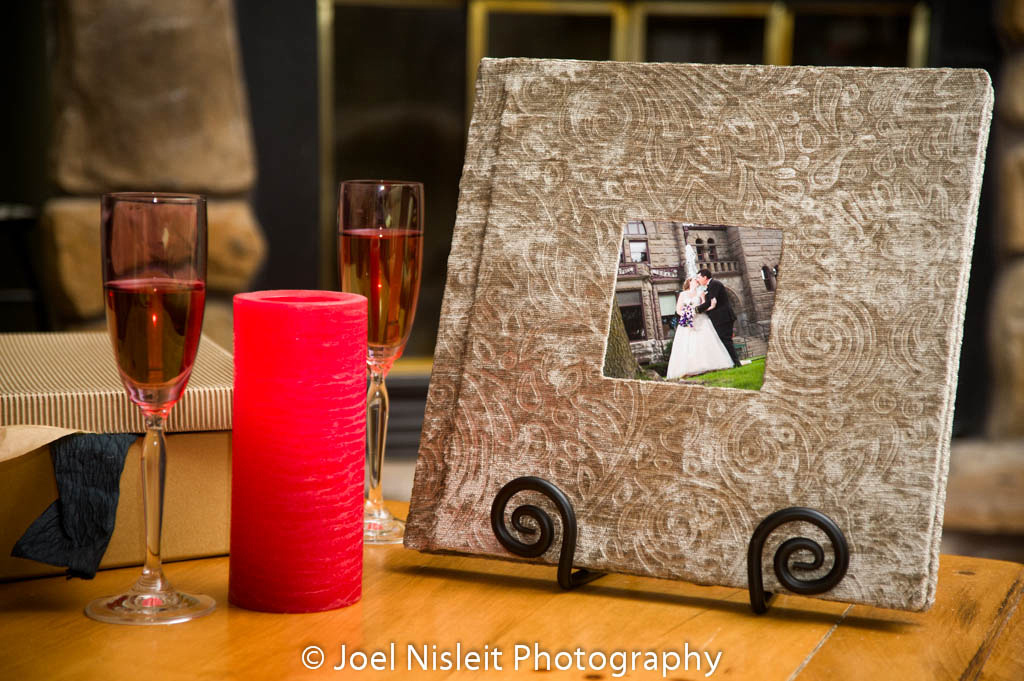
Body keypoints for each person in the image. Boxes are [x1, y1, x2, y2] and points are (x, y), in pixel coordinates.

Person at [666, 277, 735, 379]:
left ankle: (711, 365)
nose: (697, 281)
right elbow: (678, 309)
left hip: (701, 320)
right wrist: (686, 315)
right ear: (689, 282)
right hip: (688, 321)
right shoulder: (683, 294)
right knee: (690, 344)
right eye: (695, 279)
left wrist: (709, 307)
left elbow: (704, 306)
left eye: (697, 280)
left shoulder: (701, 293)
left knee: (705, 341)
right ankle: (691, 368)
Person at [695, 268, 742, 368]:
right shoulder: (709, 286)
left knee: (726, 340)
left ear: (705, 277)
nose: (697, 280)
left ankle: (736, 363)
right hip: (719, 318)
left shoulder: (714, 284)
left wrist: (697, 309)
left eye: (699, 277)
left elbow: (711, 301)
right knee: (723, 340)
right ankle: (732, 362)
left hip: (723, 317)